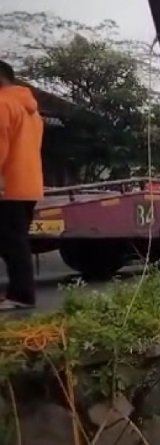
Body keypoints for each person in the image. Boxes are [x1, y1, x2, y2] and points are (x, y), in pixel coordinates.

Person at [0, 60, 44, 310]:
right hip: (29, 183)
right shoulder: (31, 110)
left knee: (12, 242)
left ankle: (21, 295)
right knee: (14, 240)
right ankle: (19, 293)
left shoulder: (3, 103)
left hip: (8, 186)